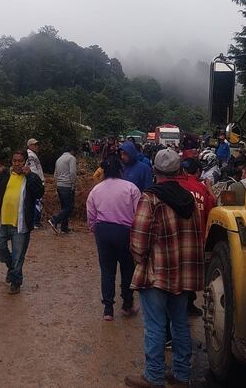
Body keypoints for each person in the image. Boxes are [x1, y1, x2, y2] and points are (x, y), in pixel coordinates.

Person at [125, 148, 204, 388]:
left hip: (157, 274)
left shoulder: (151, 198)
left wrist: (142, 261)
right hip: (183, 274)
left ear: (155, 171)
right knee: (180, 323)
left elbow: (138, 242)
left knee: (155, 325)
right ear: (179, 171)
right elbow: (197, 235)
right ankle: (181, 375)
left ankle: (154, 376)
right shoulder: (189, 199)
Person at [86, 156, 141, 321]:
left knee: (107, 270)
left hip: (103, 230)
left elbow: (90, 214)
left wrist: (95, 229)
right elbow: (139, 213)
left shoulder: (96, 189)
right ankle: (127, 304)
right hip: (125, 232)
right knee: (127, 267)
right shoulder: (131, 188)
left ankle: (108, 309)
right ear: (120, 170)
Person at [0, 150, 44, 294]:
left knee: (18, 255)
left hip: (21, 224)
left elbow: (39, 193)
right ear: (11, 162)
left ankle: (15, 282)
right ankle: (12, 268)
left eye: (20, 161)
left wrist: (30, 175)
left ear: (25, 162)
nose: (17, 163)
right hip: (3, 220)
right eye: (14, 161)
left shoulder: (31, 177)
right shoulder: (5, 174)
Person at [177, 157, 216, 317]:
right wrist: (209, 188)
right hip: (196, 238)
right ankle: (188, 304)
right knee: (190, 273)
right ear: (198, 172)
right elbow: (212, 209)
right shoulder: (201, 189)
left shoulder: (176, 185)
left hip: (176, 236)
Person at [48, 146, 77, 234]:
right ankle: (54, 219)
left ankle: (64, 228)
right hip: (67, 185)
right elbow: (72, 172)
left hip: (60, 186)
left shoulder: (59, 159)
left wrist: (58, 183)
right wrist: (73, 184)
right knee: (69, 207)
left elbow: (55, 174)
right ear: (71, 150)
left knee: (64, 207)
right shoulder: (71, 158)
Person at [26, 138, 45, 229]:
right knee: (37, 202)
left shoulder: (33, 154)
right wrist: (38, 182)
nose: (37, 146)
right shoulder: (30, 155)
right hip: (35, 182)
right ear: (29, 146)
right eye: (34, 145)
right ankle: (35, 222)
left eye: (37, 144)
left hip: (36, 181)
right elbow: (33, 170)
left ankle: (35, 221)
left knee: (37, 202)